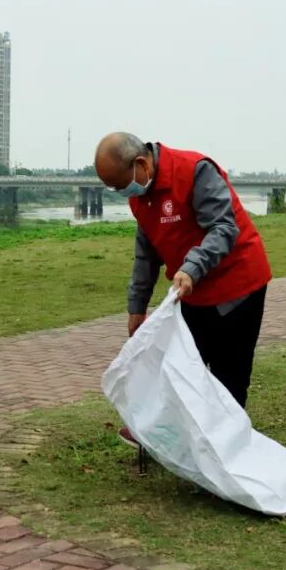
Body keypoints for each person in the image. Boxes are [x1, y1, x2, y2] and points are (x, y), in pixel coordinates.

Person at [94, 132, 272, 446]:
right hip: (190, 290)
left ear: (140, 164)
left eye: (121, 185)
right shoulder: (140, 195)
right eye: (115, 188)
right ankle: (159, 433)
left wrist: (190, 267)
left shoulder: (194, 171)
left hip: (238, 286)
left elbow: (223, 227)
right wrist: (137, 305)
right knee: (174, 364)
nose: (123, 193)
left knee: (229, 373)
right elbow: (146, 252)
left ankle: (226, 451)